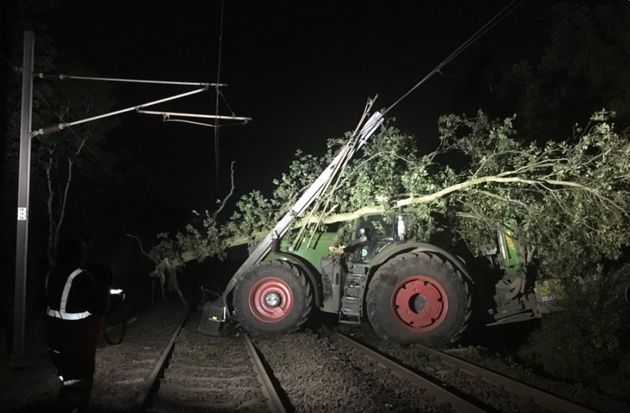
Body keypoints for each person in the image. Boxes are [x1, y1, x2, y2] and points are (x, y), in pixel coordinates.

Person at [45, 235, 109, 412]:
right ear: (77, 254)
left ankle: (66, 402)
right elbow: (99, 308)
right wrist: (105, 289)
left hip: (55, 338)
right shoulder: (81, 278)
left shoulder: (52, 274)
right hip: (78, 340)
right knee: (80, 383)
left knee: (65, 377)